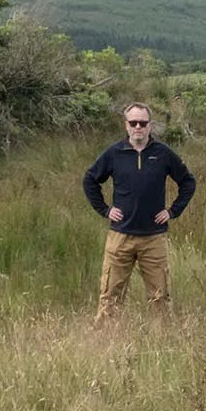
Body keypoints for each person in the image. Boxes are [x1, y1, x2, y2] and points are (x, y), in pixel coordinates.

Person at [82, 102, 195, 323]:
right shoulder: (114, 153)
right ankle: (104, 342)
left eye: (142, 123)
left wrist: (172, 212)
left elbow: (188, 182)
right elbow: (90, 180)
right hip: (120, 238)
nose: (138, 127)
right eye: (133, 123)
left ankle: (162, 343)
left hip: (154, 238)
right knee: (110, 297)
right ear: (126, 125)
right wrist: (105, 210)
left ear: (150, 126)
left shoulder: (163, 153)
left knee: (160, 297)